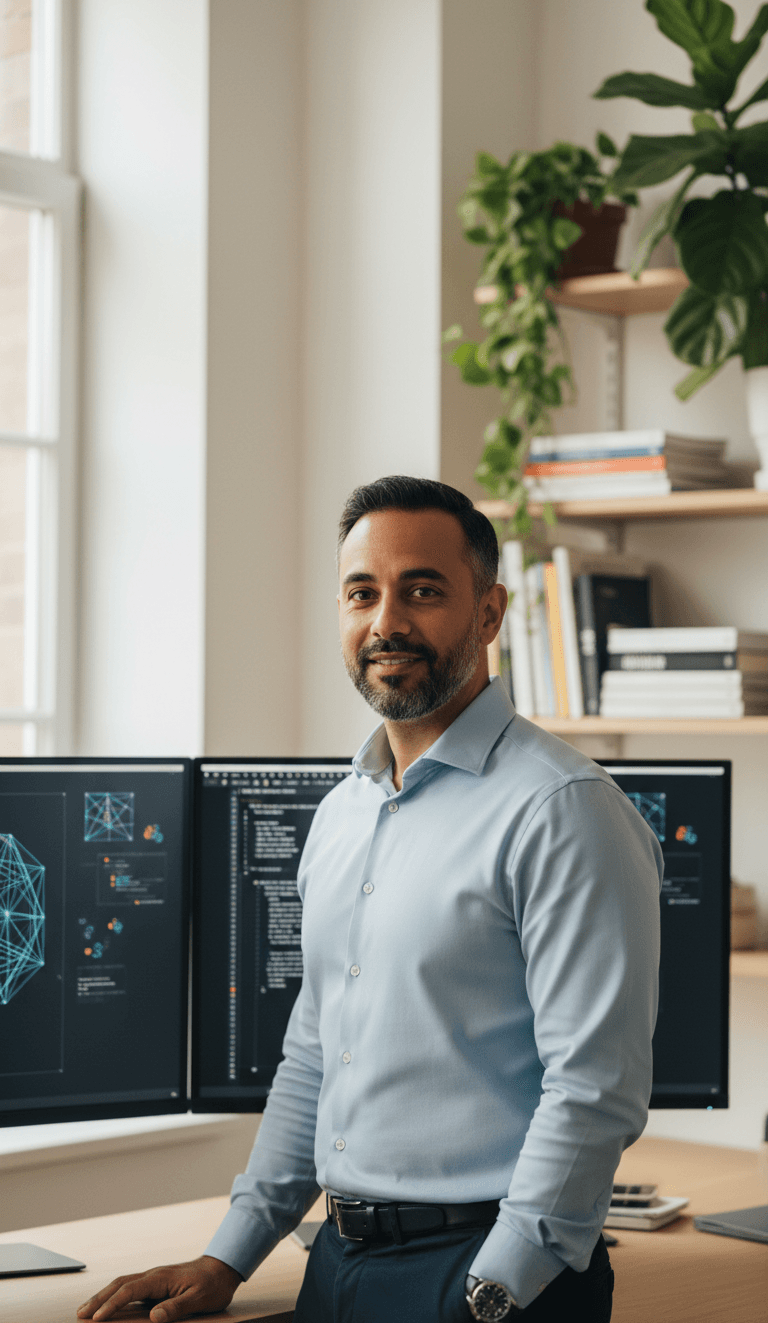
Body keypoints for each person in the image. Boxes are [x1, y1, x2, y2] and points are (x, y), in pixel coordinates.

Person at [78, 476, 662, 1323]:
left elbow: (596, 1085)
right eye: (363, 593)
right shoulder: (342, 813)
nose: (387, 622)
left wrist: (497, 1288)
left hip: (487, 1272)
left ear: (490, 614)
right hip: (340, 1263)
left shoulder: (561, 809)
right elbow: (315, 1054)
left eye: (423, 591)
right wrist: (229, 1255)